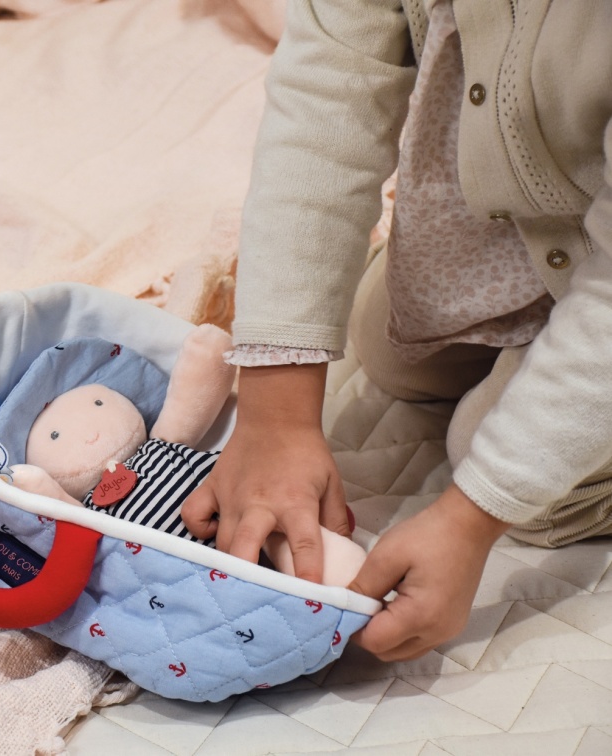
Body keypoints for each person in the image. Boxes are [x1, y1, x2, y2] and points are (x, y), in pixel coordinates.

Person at [181, 0, 612, 662]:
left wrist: (473, 517)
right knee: (383, 346)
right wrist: (275, 409)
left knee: (530, 492)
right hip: (520, 221)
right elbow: (324, 103)